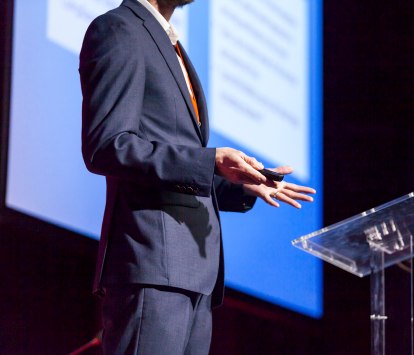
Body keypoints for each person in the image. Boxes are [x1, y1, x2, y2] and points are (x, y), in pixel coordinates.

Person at [79, 0, 315, 353]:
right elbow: (109, 146)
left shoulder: (169, 44)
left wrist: (239, 181)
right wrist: (209, 161)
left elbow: (173, 153)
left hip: (195, 276)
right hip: (151, 265)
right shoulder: (119, 29)